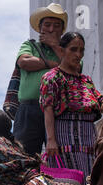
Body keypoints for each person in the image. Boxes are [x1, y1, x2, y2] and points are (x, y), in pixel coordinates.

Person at [39, 31, 103, 185]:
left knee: (86, 180)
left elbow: (98, 103)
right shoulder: (51, 77)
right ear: (61, 50)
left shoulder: (86, 81)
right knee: (67, 181)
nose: (78, 54)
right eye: (73, 49)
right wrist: (51, 139)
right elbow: (48, 108)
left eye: (81, 50)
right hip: (64, 133)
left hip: (87, 133)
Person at [13, 3, 68, 156]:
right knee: (24, 155)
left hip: (59, 110)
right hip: (28, 109)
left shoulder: (68, 51)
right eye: (48, 25)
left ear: (62, 30)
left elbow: (72, 69)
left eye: (56, 25)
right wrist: (53, 64)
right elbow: (24, 62)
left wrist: (56, 46)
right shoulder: (30, 45)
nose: (51, 29)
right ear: (40, 28)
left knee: (59, 154)